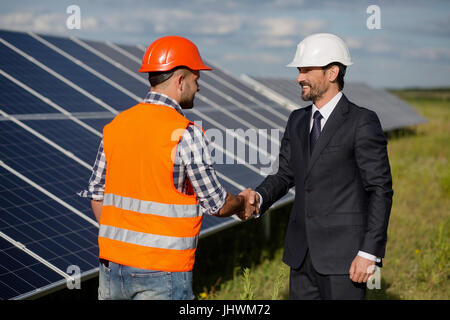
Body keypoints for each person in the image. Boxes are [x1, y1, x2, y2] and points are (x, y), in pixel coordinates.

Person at [78, 36, 256, 300]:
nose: (198, 88)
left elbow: (96, 193)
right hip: (163, 273)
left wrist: (125, 243)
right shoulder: (186, 133)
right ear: (180, 81)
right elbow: (216, 204)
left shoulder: (116, 126)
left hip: (111, 268)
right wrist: (243, 202)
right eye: (196, 80)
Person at [241, 33, 393, 300]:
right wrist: (259, 196)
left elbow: (380, 189)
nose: (299, 77)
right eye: (299, 70)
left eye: (306, 70)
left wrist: (369, 252)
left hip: (345, 258)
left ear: (333, 72)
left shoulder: (361, 121)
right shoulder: (297, 120)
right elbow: (285, 174)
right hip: (301, 256)